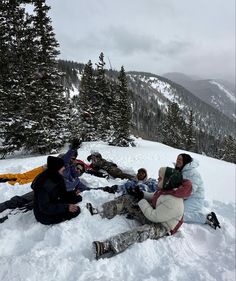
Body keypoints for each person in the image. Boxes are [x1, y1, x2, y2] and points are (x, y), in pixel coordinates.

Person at [87, 167, 192, 259]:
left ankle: (109, 246)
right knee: (128, 199)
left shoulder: (174, 201)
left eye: (160, 178)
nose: (158, 179)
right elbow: (153, 196)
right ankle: (102, 210)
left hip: (162, 226)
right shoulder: (167, 190)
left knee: (142, 232)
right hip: (153, 214)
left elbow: (154, 216)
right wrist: (141, 194)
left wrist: (141, 200)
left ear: (168, 181)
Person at [31, 156, 81, 225]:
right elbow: (45, 208)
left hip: (54, 201)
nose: (63, 172)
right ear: (56, 169)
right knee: (75, 211)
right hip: (43, 214)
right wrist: (67, 207)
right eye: (62, 170)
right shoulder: (43, 184)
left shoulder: (56, 176)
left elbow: (61, 193)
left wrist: (73, 193)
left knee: (77, 198)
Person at [175, 153, 220, 229]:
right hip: (184, 197)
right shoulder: (180, 170)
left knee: (178, 215)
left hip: (195, 198)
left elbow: (190, 190)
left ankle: (207, 218)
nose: (178, 161)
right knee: (172, 210)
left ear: (185, 161)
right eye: (177, 159)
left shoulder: (193, 173)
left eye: (180, 159)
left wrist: (177, 195)